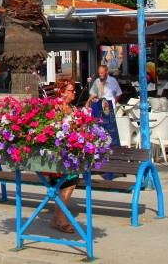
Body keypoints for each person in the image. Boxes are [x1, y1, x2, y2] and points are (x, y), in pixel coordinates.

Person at [49, 77, 80, 234]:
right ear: (61, 92)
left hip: (71, 155)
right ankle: (60, 219)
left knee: (67, 184)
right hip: (58, 155)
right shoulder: (55, 109)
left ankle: (57, 218)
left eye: (74, 90)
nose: (74, 93)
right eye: (70, 90)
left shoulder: (73, 109)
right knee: (68, 184)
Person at [87, 64, 122, 149]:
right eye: (99, 73)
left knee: (110, 128)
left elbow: (119, 93)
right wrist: (88, 101)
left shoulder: (113, 81)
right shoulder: (97, 81)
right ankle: (101, 146)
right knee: (99, 127)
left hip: (110, 108)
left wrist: (114, 103)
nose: (100, 75)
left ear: (106, 72)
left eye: (102, 73)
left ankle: (113, 146)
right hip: (99, 108)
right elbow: (93, 93)